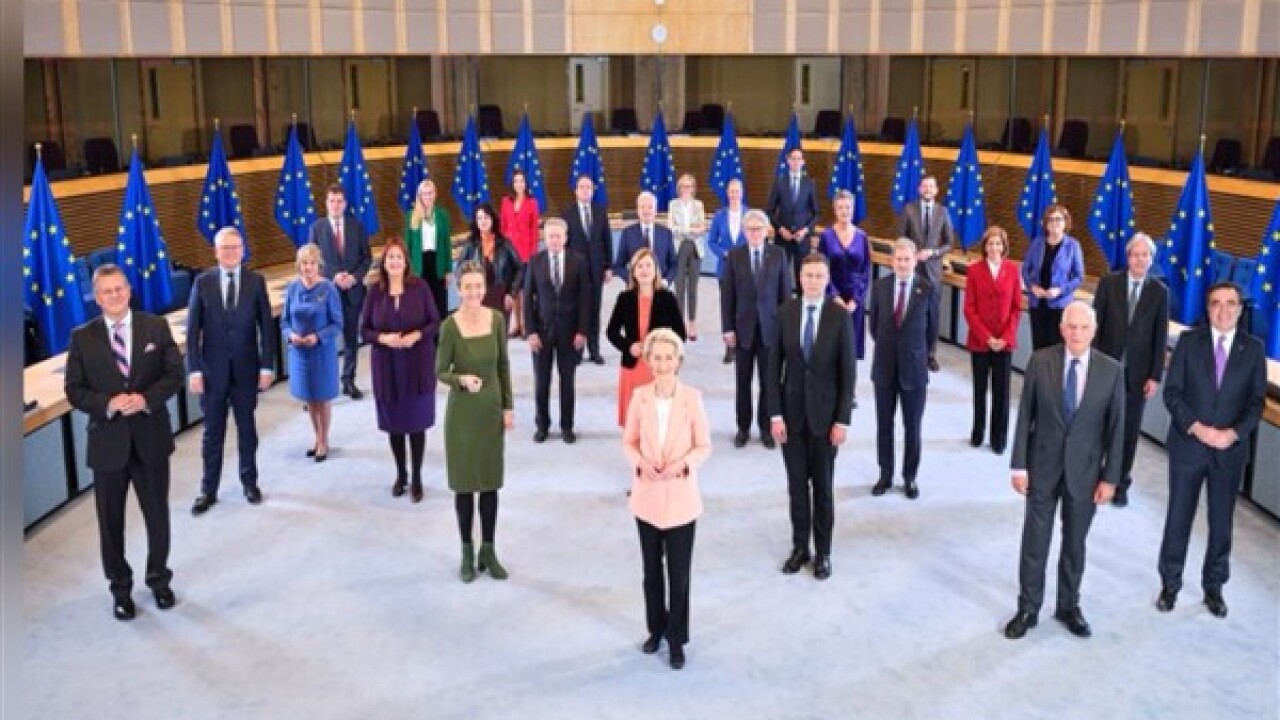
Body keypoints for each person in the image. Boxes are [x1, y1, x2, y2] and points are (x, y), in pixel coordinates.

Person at [64, 265, 184, 621]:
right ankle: (120, 589)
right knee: (110, 523)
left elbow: (174, 374)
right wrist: (108, 404)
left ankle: (159, 579)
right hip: (107, 445)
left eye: (119, 289)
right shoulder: (82, 338)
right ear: (97, 298)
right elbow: (74, 389)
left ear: (129, 291)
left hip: (150, 438)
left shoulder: (155, 327)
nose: (115, 295)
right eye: (107, 291)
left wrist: (145, 399)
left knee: (157, 516)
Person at [1004, 300, 1124, 640]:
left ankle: (1069, 606)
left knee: (1075, 544)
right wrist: (1019, 466)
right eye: (1071, 327)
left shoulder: (1111, 371)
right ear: (1061, 329)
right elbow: (1025, 415)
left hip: (1085, 474)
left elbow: (1117, 429)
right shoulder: (1040, 361)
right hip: (1042, 467)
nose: (1077, 333)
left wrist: (1110, 478)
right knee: (1035, 542)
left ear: (1094, 331)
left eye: (1084, 327)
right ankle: (1028, 608)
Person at [1155, 282, 1266, 618]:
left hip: (1228, 453)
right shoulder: (1189, 342)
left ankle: (1214, 587)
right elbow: (1172, 393)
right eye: (1216, 303)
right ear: (1207, 308)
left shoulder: (1254, 349)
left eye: (1231, 303)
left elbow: (1256, 403)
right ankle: (1170, 585)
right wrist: (1198, 428)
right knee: (1178, 518)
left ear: (1240, 309)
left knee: (1221, 524)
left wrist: (1232, 434)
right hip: (1189, 446)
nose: (1223, 310)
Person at [622, 328, 712, 671]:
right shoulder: (640, 397)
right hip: (647, 497)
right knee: (651, 572)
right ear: (648, 360)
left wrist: (683, 465)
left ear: (678, 361)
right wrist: (640, 463)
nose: (662, 364)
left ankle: (676, 639)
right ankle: (655, 630)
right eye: (656, 358)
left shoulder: (692, 398)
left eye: (668, 358)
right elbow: (629, 442)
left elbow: (703, 445)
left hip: (681, 498)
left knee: (679, 574)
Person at [767, 254, 855, 581]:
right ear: (799, 277)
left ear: (827, 279)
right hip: (791, 419)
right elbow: (772, 368)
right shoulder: (786, 312)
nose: (813, 281)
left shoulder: (839, 316)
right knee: (797, 489)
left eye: (819, 275)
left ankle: (824, 553)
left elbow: (848, 373)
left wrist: (842, 420)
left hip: (825, 420)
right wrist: (775, 415)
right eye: (808, 275)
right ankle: (800, 548)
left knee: (823, 489)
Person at [187, 227, 277, 515]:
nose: (230, 253)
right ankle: (208, 490)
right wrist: (194, 370)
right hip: (211, 373)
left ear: (243, 250)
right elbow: (192, 331)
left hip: (246, 371)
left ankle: (249, 483)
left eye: (235, 247)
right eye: (224, 248)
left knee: (247, 429)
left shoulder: (256, 281)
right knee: (212, 433)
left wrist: (267, 366)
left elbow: (267, 328)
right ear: (216, 252)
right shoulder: (202, 282)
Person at [437, 261, 515, 583]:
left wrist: (508, 407)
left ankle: (489, 550)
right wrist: (460, 380)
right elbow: (440, 371)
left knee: (490, 484)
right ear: (459, 289)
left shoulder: (496, 319)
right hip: (462, 417)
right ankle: (467, 552)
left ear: (485, 287)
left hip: (491, 412)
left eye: (478, 286)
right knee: (465, 486)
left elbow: (503, 366)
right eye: (467, 286)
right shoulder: (449, 326)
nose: (473, 292)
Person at [1091, 232, 1169, 507]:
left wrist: (1155, 376)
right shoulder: (1108, 283)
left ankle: (1120, 482)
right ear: (1128, 257)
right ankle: (1094, 476)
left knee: (1128, 431)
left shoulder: (1160, 292)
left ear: (1151, 259)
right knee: (1099, 425)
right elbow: (1095, 326)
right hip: (1106, 369)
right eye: (1135, 254)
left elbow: (1160, 338)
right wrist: (1092, 363)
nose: (1139, 259)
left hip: (1138, 376)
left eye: (1145, 255)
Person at [361, 239, 441, 503]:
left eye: (399, 257)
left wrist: (416, 335)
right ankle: (401, 474)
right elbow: (364, 330)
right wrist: (383, 338)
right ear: (384, 263)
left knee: (416, 425)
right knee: (394, 425)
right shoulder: (375, 292)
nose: (395, 262)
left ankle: (417, 477)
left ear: (406, 261)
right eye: (390, 257)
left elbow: (435, 322)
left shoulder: (420, 288)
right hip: (387, 368)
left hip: (417, 365)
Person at [868, 239, 936, 500]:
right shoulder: (880, 287)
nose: (903, 264)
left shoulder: (927, 288)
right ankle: (885, 475)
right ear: (892, 261)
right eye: (899, 259)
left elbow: (931, 331)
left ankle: (910, 477)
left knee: (913, 428)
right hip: (884, 367)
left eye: (907, 259)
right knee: (884, 426)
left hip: (914, 371)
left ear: (915, 261)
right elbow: (874, 327)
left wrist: (917, 353)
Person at [720, 209, 793, 449]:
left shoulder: (778, 254)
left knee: (768, 382)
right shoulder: (735, 255)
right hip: (742, 330)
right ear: (744, 231)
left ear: (766, 231)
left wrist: (786, 329)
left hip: (771, 330)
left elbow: (785, 295)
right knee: (743, 382)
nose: (754, 233)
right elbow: (727, 295)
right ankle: (743, 428)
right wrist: (727, 328)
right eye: (750, 229)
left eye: (758, 229)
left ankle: (765, 428)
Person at [523, 218, 590, 444]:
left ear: (565, 237)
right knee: (542, 381)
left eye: (558, 236)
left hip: (570, 333)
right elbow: (527, 299)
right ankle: (542, 426)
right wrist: (530, 332)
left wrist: (582, 331)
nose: (554, 240)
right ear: (545, 238)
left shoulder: (578, 261)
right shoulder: (535, 261)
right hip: (541, 332)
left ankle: (567, 426)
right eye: (550, 236)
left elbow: (585, 299)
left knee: (567, 381)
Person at [607, 248, 687, 428]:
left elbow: (680, 334)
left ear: (655, 270)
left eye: (648, 265)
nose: (644, 270)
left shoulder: (668, 298)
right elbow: (611, 332)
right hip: (633, 367)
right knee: (634, 422)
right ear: (634, 272)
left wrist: (661, 349)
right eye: (640, 266)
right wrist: (628, 346)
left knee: (658, 421)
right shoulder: (624, 298)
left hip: (659, 367)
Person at [281, 243, 344, 462]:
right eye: (304, 263)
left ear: (319, 265)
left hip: (321, 352)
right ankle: (317, 437)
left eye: (312, 263)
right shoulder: (293, 288)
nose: (308, 267)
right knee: (309, 398)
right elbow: (284, 322)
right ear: (299, 266)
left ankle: (324, 440)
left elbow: (337, 323)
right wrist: (291, 336)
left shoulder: (328, 289)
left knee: (322, 397)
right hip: (300, 353)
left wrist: (317, 337)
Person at [309, 184, 372, 399]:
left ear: (345, 204)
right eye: (331, 201)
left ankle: (348, 381)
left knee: (351, 339)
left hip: (353, 292)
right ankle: (321, 386)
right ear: (326, 203)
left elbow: (367, 258)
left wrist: (354, 277)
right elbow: (312, 261)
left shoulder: (357, 226)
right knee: (323, 341)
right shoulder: (317, 228)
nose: (335, 205)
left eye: (339, 201)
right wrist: (334, 276)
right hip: (326, 293)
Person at [962, 226, 1022, 454]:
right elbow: (969, 309)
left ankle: (999, 438)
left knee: (1002, 392)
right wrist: (987, 337)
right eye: (990, 244)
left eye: (998, 243)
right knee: (980, 389)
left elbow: (1016, 308)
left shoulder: (1013, 270)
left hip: (1005, 342)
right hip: (980, 341)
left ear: (1004, 247)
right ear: (984, 247)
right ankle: (978, 432)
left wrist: (1005, 338)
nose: (994, 248)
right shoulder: (974, 270)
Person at [894, 174, 955, 372]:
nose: (928, 189)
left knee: (932, 314)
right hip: (913, 269)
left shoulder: (943, 212)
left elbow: (949, 243)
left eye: (931, 186)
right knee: (911, 312)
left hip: (934, 272)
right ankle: (910, 351)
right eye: (924, 186)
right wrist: (912, 253)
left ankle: (930, 355)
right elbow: (900, 238)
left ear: (936, 190)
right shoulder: (908, 210)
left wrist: (934, 253)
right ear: (919, 189)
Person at [818, 189, 871, 409]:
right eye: (840, 207)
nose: (844, 211)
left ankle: (849, 392)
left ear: (853, 208)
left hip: (855, 302)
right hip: (833, 298)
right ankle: (832, 388)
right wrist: (834, 296)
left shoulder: (862, 237)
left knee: (851, 347)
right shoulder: (826, 236)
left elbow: (866, 271)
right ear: (834, 209)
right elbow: (821, 270)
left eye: (848, 207)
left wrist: (856, 300)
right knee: (832, 345)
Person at [563, 174, 614, 364]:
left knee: (594, 311)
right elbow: (564, 245)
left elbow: (606, 240)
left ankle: (594, 351)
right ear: (576, 191)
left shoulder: (600, 212)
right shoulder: (567, 214)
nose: (585, 190)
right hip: (575, 272)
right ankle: (576, 352)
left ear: (593, 191)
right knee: (576, 312)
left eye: (588, 187)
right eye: (582, 187)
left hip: (596, 270)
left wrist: (608, 266)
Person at [1021, 203, 1084, 351]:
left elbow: (1079, 277)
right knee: (1038, 348)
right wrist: (1032, 287)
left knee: (1056, 350)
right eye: (1051, 219)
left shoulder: (1073, 246)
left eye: (1058, 219)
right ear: (1046, 224)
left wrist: (1060, 290)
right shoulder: (1037, 243)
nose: (1055, 223)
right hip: (1038, 305)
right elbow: (1025, 269)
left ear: (1065, 222)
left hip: (1060, 307)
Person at [706, 178, 749, 363]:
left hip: (745, 269)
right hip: (725, 268)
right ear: (727, 193)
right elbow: (711, 241)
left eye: (737, 191)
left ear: (742, 193)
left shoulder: (749, 214)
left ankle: (743, 344)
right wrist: (722, 253)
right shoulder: (719, 215)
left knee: (743, 306)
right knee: (728, 307)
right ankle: (729, 347)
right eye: (731, 191)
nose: (734, 195)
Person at [458, 201, 522, 319]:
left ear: (492, 219)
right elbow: (459, 270)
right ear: (476, 222)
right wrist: (466, 293)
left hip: (501, 297)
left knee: (499, 330)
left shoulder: (504, 243)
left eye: (486, 217)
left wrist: (511, 294)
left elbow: (520, 268)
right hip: (477, 296)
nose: (483, 221)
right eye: (479, 218)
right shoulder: (471, 244)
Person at [765, 147, 818, 285]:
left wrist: (805, 230)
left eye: (798, 159)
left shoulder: (809, 183)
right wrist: (780, 229)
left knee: (803, 279)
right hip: (783, 239)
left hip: (802, 240)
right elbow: (769, 211)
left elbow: (816, 214)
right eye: (793, 158)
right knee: (780, 279)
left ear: (803, 162)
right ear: (788, 160)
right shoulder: (779, 182)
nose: (796, 161)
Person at [500, 169, 541, 338]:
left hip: (525, 253)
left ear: (526, 183)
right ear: (512, 183)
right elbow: (502, 226)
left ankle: (525, 325)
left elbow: (535, 231)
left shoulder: (532, 202)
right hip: (509, 253)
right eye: (516, 181)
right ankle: (516, 324)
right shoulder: (505, 201)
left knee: (525, 291)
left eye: (522, 181)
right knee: (513, 291)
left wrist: (533, 254)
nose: (519, 184)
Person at [403, 178, 453, 319]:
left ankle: (440, 331)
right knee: (421, 303)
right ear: (420, 196)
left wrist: (448, 270)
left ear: (435, 194)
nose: (428, 196)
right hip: (419, 264)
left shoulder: (442, 215)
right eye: (425, 193)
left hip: (438, 262)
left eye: (430, 193)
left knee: (440, 302)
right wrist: (407, 270)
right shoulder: (411, 216)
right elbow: (407, 246)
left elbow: (446, 244)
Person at [667, 173, 707, 340]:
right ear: (679, 188)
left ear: (693, 188)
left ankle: (692, 323)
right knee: (679, 286)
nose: (686, 189)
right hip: (679, 248)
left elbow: (702, 227)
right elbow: (671, 227)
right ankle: (679, 322)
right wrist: (690, 229)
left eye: (689, 186)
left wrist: (686, 229)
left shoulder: (699, 204)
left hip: (695, 248)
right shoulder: (673, 204)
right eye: (683, 186)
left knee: (692, 287)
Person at [614, 191, 677, 284]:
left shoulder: (666, 233)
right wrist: (632, 280)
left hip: (660, 285)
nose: (646, 211)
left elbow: (674, 264)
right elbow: (618, 266)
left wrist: (666, 281)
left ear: (655, 210)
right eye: (642, 207)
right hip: (635, 287)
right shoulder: (627, 233)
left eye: (650, 207)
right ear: (637, 210)